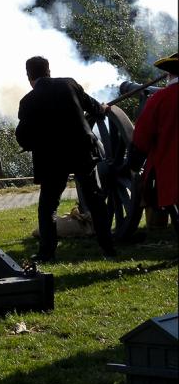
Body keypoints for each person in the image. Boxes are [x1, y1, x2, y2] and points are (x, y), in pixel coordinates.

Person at [16, 55, 115, 262]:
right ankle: (108, 248)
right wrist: (103, 109)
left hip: (52, 159)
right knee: (95, 201)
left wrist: (33, 143)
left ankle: (47, 253)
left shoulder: (27, 101)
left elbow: (23, 137)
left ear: (28, 76)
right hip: (82, 151)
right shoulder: (69, 84)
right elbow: (93, 106)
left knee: (48, 207)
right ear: (49, 70)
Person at [129, 52, 178, 233]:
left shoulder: (160, 98)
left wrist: (134, 163)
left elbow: (142, 135)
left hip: (170, 165)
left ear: (169, 74)